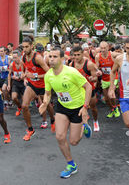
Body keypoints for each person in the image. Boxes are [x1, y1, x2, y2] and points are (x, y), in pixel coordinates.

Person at [39, 47, 92, 179]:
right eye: (50, 56)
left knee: (74, 141)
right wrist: (45, 103)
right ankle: (71, 165)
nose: (51, 59)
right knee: (60, 137)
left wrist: (85, 107)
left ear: (62, 59)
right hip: (62, 107)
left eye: (55, 57)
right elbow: (47, 93)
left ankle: (84, 127)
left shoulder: (71, 72)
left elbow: (88, 87)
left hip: (77, 108)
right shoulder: (48, 75)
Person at [21, 36, 55, 141]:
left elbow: (49, 73)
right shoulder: (23, 57)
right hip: (32, 85)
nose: (25, 49)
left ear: (32, 46)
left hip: (43, 85)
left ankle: (53, 120)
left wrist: (35, 76)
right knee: (24, 106)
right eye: (23, 47)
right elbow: (25, 69)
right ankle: (30, 130)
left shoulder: (38, 58)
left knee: (47, 106)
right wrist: (24, 75)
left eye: (27, 47)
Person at [70, 46, 99, 131]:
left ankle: (95, 121)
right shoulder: (71, 65)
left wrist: (92, 78)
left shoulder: (89, 64)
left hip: (89, 89)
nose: (76, 57)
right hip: (78, 91)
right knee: (80, 108)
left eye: (78, 54)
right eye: (74, 55)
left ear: (83, 54)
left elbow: (96, 78)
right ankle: (84, 124)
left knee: (93, 107)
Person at [95, 41, 120, 118]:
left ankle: (115, 108)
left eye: (104, 48)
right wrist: (98, 70)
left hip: (113, 77)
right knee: (106, 98)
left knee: (111, 94)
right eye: (101, 48)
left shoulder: (112, 54)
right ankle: (112, 109)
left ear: (108, 47)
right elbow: (96, 66)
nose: (103, 50)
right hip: (105, 79)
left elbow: (123, 55)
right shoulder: (98, 56)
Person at [7, 50, 25, 116]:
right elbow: (9, 74)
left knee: (25, 101)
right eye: (13, 57)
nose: (14, 59)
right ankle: (19, 107)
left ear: (19, 57)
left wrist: (23, 77)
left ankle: (24, 109)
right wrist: (9, 84)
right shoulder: (12, 64)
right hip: (16, 83)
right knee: (14, 97)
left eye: (16, 57)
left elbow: (27, 73)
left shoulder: (23, 64)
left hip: (23, 83)